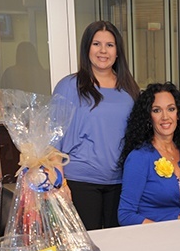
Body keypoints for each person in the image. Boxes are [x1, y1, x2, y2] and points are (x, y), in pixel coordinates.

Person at [54, 20, 140, 230]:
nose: (103, 51)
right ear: (87, 49)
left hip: (121, 181)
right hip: (80, 181)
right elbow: (53, 138)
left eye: (110, 45)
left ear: (118, 51)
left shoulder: (129, 88)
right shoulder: (69, 86)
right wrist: (59, 183)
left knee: (120, 246)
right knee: (88, 246)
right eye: (96, 44)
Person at [118, 82, 180, 225]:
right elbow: (126, 214)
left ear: (178, 115)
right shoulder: (139, 157)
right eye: (157, 110)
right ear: (148, 117)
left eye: (171, 109)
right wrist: (165, 231)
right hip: (155, 238)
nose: (165, 117)